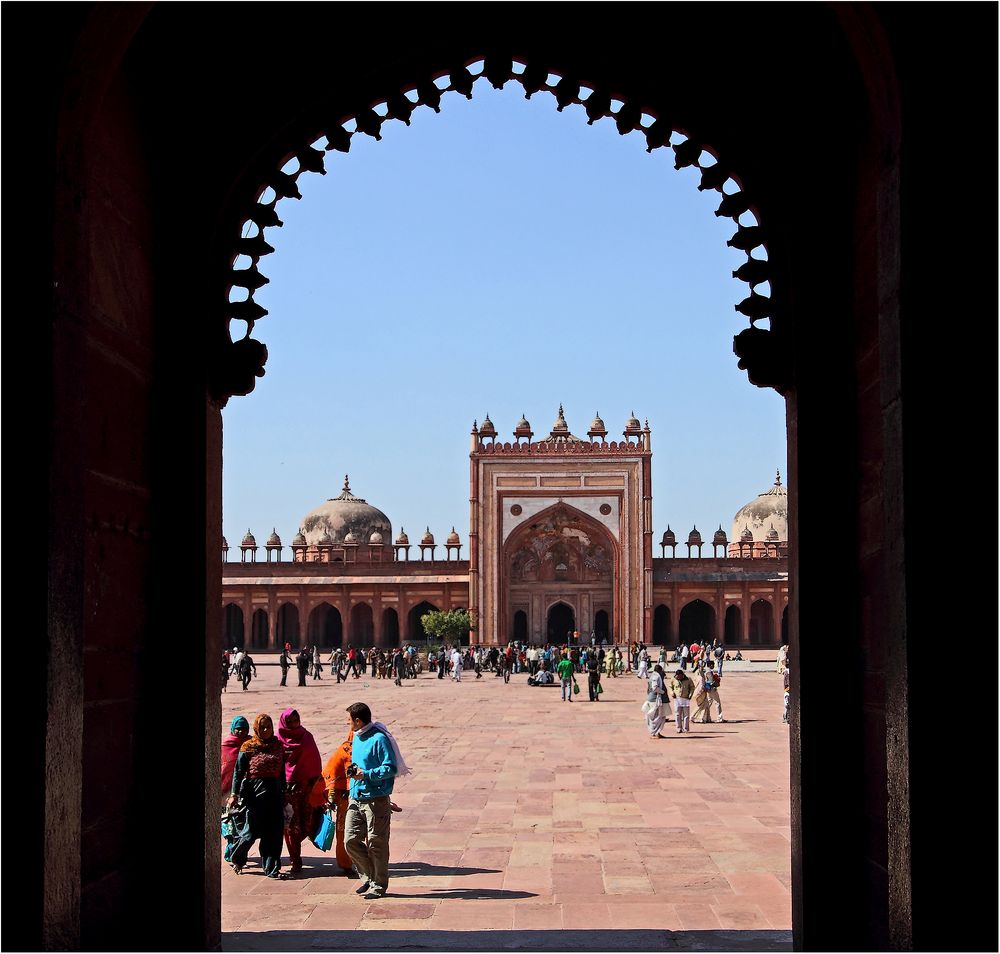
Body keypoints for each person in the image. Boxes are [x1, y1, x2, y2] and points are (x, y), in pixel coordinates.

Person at [344, 702, 399, 900]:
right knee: (350, 840)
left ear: (358, 721)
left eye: (349, 720)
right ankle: (368, 875)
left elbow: (390, 768)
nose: (347, 723)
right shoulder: (357, 738)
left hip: (375, 800)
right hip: (356, 797)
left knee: (377, 843)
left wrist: (366, 774)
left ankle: (378, 884)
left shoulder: (379, 739)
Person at [227, 713, 287, 879]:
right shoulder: (248, 747)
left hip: (274, 794)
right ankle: (237, 858)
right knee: (250, 833)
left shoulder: (277, 745)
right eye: (262, 727)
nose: (266, 730)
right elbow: (238, 773)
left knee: (274, 834)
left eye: (268, 726)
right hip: (255, 794)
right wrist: (234, 794)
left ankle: (272, 869)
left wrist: (284, 794)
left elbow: (282, 773)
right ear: (256, 729)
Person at [277, 707, 324, 875]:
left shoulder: (306, 737)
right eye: (289, 721)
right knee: (291, 828)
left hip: (305, 789)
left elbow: (314, 760)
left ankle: (296, 854)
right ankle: (295, 859)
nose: (292, 724)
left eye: (295, 720)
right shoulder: (278, 740)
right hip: (286, 792)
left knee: (307, 824)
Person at [221, 715, 249, 805]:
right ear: (233, 728)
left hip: (246, 786)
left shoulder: (251, 744)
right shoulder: (225, 745)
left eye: (244, 729)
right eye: (238, 728)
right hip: (227, 789)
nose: (241, 731)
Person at [645, 664, 669, 738]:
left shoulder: (653, 675)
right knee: (657, 717)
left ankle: (657, 732)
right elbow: (654, 688)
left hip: (655, 699)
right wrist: (662, 692)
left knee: (660, 716)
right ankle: (654, 733)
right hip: (655, 700)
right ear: (660, 670)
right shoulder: (656, 676)